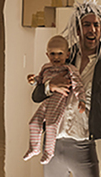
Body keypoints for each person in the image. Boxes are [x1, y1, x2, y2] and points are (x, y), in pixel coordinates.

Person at [31, 0, 101, 177]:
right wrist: (50, 86)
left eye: (96, 25)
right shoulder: (63, 57)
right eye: (86, 25)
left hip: (83, 148)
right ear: (78, 30)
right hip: (52, 146)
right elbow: (36, 96)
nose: (92, 30)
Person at [24, 35, 86, 165]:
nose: (56, 57)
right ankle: (34, 148)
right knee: (33, 122)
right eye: (52, 54)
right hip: (47, 101)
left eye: (60, 53)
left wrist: (81, 99)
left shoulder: (69, 69)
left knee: (51, 125)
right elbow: (40, 81)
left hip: (59, 101)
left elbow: (78, 85)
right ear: (47, 55)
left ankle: (48, 152)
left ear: (67, 55)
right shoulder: (46, 68)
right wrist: (32, 81)